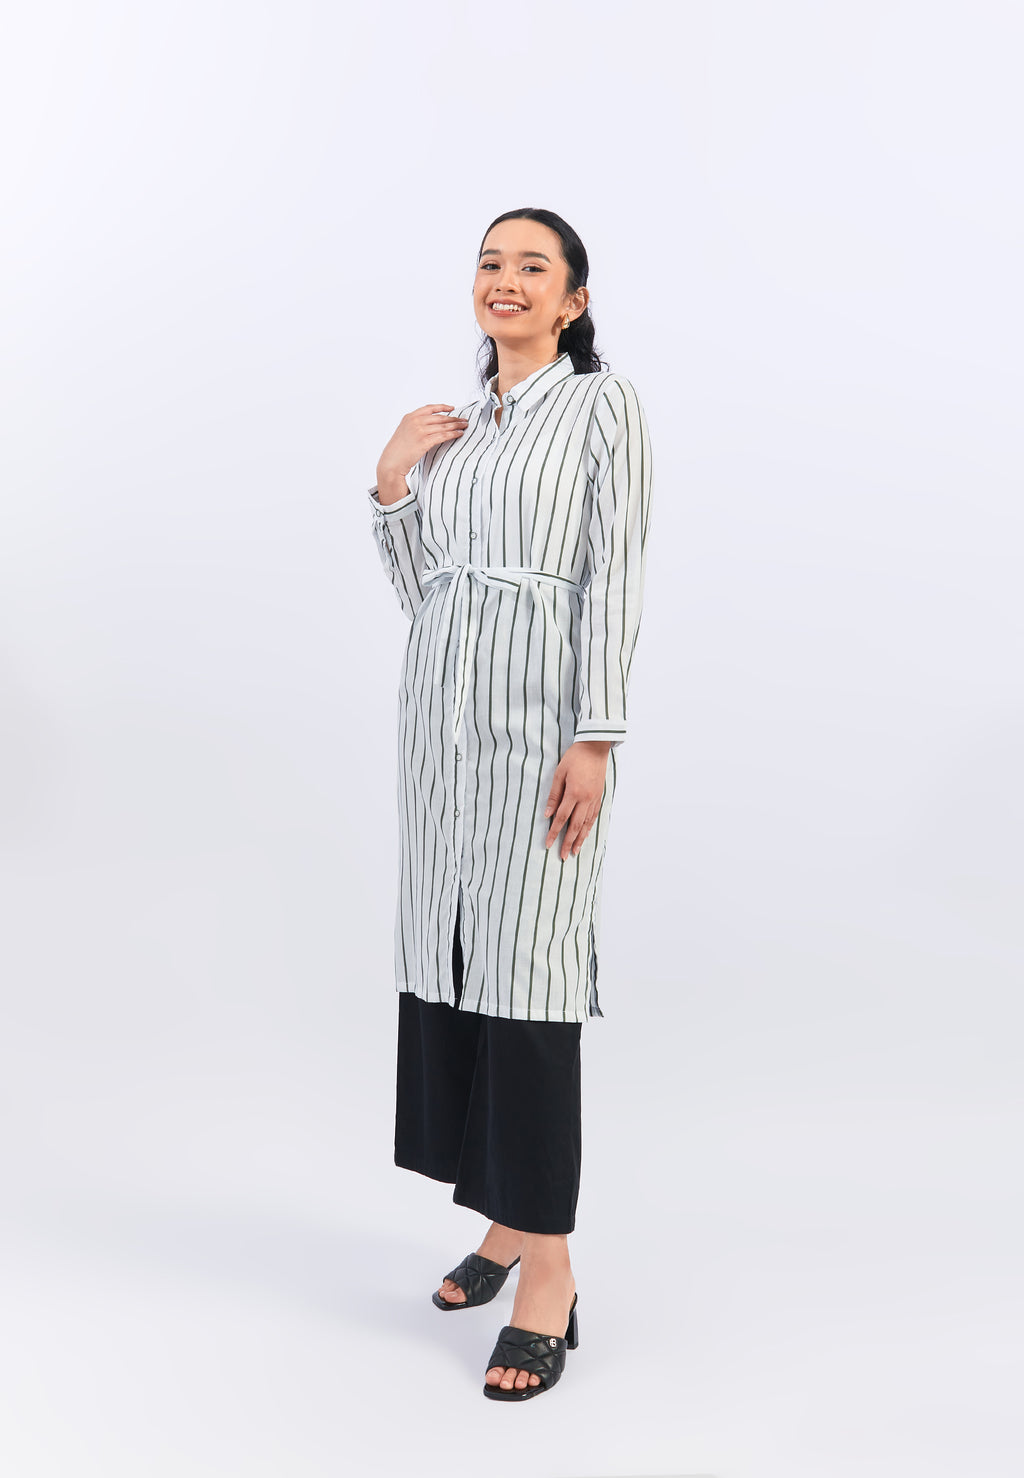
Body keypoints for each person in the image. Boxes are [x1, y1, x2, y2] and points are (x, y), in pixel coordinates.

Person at [367, 207, 653, 1400]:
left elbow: (615, 569)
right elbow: (423, 589)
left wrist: (595, 734)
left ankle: (550, 1272)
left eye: (533, 266)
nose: (506, 280)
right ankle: (499, 1220)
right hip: (440, 736)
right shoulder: (461, 425)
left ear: (572, 300)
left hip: (542, 735)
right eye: (490, 262)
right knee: (458, 965)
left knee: (530, 979)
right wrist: (393, 481)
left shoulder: (600, 406)